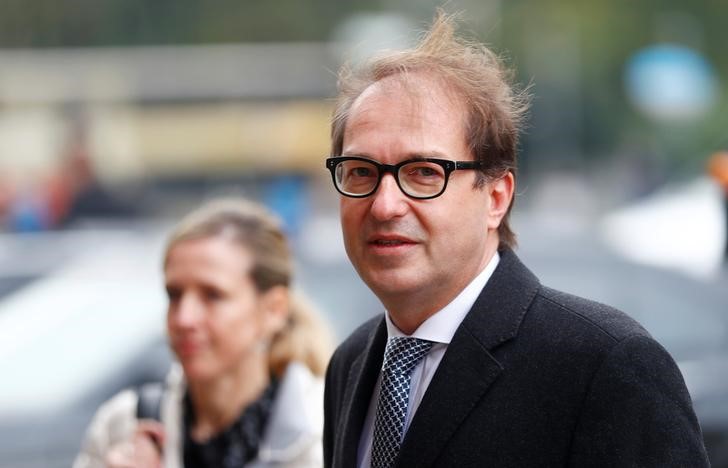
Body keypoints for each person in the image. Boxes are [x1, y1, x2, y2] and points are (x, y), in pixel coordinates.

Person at [322, 11, 709, 468]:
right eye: (362, 172)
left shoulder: (604, 364)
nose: (385, 205)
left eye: (424, 173)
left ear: (496, 197)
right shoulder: (351, 363)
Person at [74, 198, 333, 468]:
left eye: (213, 295)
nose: (184, 318)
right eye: (174, 295)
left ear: (273, 310)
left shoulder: (325, 432)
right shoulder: (124, 424)